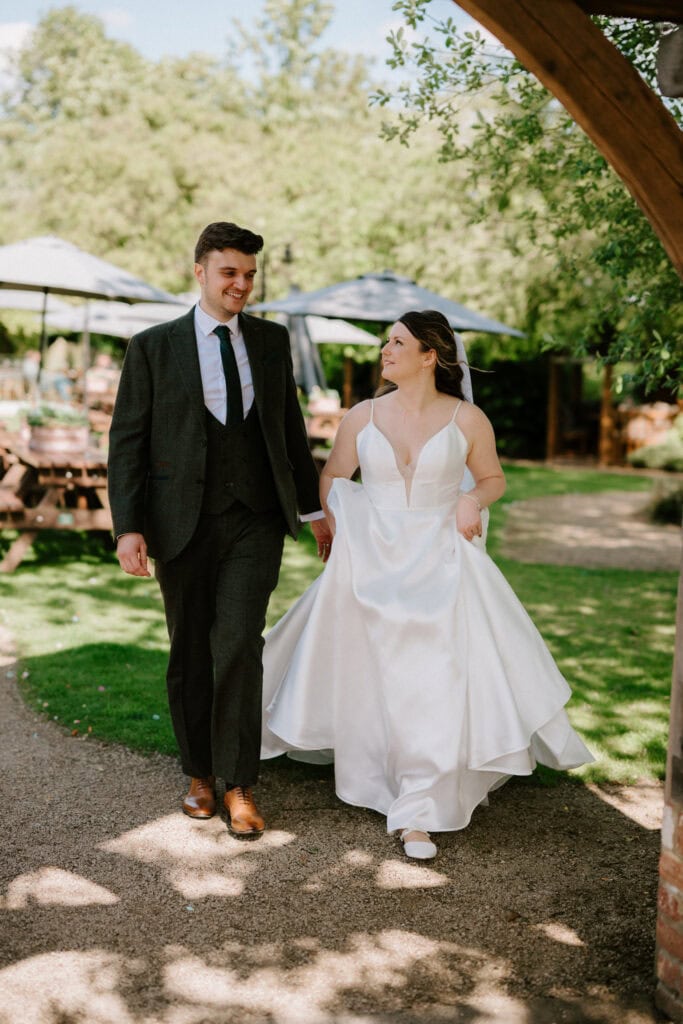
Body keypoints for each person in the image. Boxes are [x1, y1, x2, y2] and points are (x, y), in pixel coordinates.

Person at [261, 309, 593, 860]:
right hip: (372, 558)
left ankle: (419, 806)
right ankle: (378, 775)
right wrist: (336, 526)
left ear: (429, 356)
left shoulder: (467, 418)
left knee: (434, 676)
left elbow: (493, 479)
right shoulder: (361, 416)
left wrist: (470, 499)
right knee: (377, 672)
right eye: (386, 342)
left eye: (397, 343)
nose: (385, 351)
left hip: (441, 557)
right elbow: (333, 476)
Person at [107, 221, 332, 839]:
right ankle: (198, 773)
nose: (241, 285)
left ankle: (238, 784)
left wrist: (312, 510)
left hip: (254, 519)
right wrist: (128, 527)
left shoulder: (269, 340)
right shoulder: (153, 346)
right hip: (180, 524)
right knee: (190, 651)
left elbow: (289, 428)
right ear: (200, 272)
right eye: (230, 272)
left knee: (238, 643)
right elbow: (126, 441)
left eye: (250, 275)